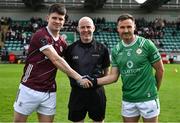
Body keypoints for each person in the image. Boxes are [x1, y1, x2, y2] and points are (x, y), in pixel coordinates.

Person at [13, 4, 91, 123]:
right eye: (54, 18)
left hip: (49, 92)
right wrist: (79, 78)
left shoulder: (63, 42)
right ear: (47, 18)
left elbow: (71, 62)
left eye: (61, 19)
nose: (57, 21)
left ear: (64, 21)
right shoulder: (40, 35)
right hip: (29, 88)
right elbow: (56, 59)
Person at [86, 14, 164, 122]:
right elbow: (113, 76)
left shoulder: (146, 44)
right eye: (122, 27)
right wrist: (94, 81)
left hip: (148, 99)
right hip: (128, 99)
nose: (126, 30)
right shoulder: (116, 50)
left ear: (134, 27)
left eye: (129, 27)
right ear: (117, 28)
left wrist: (155, 89)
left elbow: (160, 70)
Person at [64, 16, 110, 122]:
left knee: (98, 121)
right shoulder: (70, 49)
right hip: (77, 93)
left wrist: (96, 82)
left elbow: (106, 73)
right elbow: (67, 70)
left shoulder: (102, 49)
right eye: (82, 27)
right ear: (78, 29)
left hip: (97, 94)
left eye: (88, 27)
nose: (85, 30)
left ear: (93, 28)